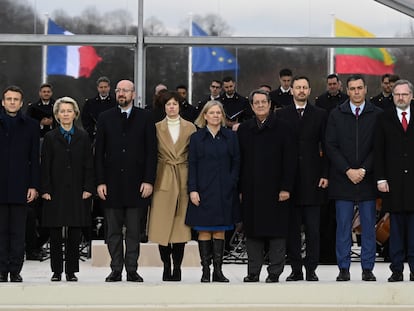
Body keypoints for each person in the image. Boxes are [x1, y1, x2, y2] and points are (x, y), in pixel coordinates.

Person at [95, 79, 157, 282]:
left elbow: (151, 152)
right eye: (118, 90)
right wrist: (100, 181)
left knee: (133, 231)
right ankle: (115, 269)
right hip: (111, 184)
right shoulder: (105, 117)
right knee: (112, 231)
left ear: (134, 94)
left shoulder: (146, 117)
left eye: (125, 90)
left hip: (137, 184)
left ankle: (131, 269)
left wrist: (149, 180)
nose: (121, 93)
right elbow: (99, 153)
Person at [325, 74, 382, 282]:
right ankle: (344, 268)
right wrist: (348, 170)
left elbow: (379, 147)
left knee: (368, 227)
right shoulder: (336, 114)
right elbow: (330, 145)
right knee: (343, 226)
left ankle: (368, 268)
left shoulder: (377, 114)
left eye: (359, 88)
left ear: (366, 89)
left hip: (367, 179)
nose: (356, 92)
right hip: (343, 178)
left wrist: (364, 169)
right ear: (346, 90)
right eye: (352, 88)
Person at [238, 89, 297, 283]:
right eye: (257, 102)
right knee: (253, 233)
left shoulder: (284, 128)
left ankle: (274, 272)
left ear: (270, 104)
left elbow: (290, 161)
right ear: (252, 106)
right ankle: (253, 272)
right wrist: (240, 189)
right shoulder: (245, 129)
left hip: (277, 190)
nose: (260, 105)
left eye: (264, 102)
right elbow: (240, 161)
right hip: (251, 190)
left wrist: (286, 188)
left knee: (277, 232)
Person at [276, 76, 328, 282]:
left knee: (313, 229)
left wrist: (325, 174)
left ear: (309, 90)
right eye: (297, 87)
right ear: (291, 90)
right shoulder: (281, 114)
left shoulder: (320, 114)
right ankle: (296, 268)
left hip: (313, 180)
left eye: (304, 87)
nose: (301, 90)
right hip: (289, 182)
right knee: (292, 230)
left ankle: (311, 269)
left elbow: (327, 146)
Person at [185, 100, 240, 283]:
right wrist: (192, 190)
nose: (216, 115)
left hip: (224, 190)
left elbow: (236, 162)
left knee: (219, 231)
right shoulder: (196, 138)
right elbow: (192, 165)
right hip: (203, 190)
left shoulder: (230, 137)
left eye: (219, 113)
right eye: (212, 112)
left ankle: (218, 270)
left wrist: (231, 182)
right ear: (205, 116)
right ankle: (205, 271)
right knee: (204, 230)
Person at [40, 97, 94, 282]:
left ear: (75, 114)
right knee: (55, 233)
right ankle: (56, 271)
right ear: (56, 115)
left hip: (78, 190)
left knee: (74, 232)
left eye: (69, 111)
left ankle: (71, 271)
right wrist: (45, 188)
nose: (65, 114)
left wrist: (88, 187)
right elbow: (45, 164)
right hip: (55, 190)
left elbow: (89, 164)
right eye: (62, 111)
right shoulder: (49, 137)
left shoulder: (84, 136)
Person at [147, 91, 196, 281]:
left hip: (183, 176)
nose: (172, 107)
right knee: (162, 225)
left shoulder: (190, 127)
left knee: (180, 227)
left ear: (180, 106)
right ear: (164, 107)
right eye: (168, 104)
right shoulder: (156, 128)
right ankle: (166, 265)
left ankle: (177, 267)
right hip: (163, 177)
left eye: (175, 104)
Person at [374, 79, 414, 282]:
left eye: (404, 94)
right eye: (397, 94)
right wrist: (380, 178)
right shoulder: (383, 118)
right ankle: (396, 270)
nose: (400, 97)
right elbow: (378, 151)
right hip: (393, 183)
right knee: (395, 230)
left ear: (411, 96)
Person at [0, 85, 40, 282]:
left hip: (21, 187)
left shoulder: (31, 126)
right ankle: (1, 270)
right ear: (3, 102)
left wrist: (33, 185)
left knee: (18, 232)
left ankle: (15, 270)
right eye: (9, 99)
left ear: (21, 103)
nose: (12, 102)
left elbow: (34, 158)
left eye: (16, 99)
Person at [81, 76, 116, 144]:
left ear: (109, 88)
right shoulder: (90, 103)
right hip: (94, 138)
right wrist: (92, 131)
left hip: (111, 137)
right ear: (97, 88)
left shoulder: (115, 103)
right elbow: (85, 119)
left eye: (105, 87)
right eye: (101, 87)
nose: (103, 89)